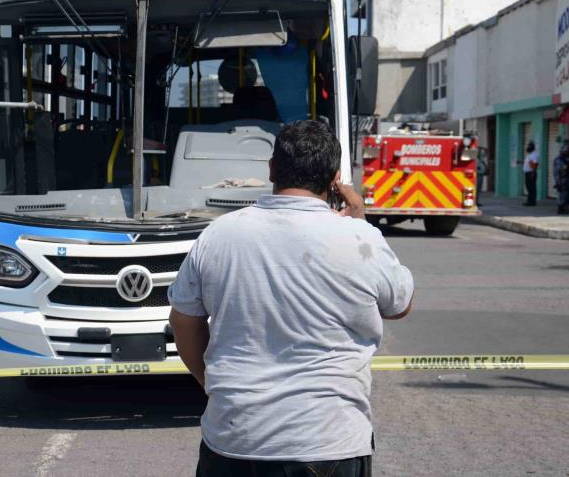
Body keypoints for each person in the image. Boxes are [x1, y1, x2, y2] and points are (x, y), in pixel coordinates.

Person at [168, 120, 414, 477]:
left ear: (271, 169)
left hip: (235, 440)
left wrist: (212, 384)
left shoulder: (218, 235)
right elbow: (400, 305)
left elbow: (183, 321)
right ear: (335, 179)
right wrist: (360, 223)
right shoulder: (361, 239)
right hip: (329, 443)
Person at [553, 140, 569, 215]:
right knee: (562, 194)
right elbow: (557, 171)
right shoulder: (560, 159)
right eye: (567, 148)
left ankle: (565, 208)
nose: (568, 150)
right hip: (562, 178)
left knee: (567, 194)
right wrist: (558, 182)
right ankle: (560, 209)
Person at [522, 141, 539, 206]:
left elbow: (535, 164)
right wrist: (521, 162)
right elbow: (528, 163)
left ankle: (531, 202)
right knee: (529, 187)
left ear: (532, 147)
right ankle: (530, 201)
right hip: (528, 173)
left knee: (531, 188)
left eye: (529, 146)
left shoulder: (534, 155)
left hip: (531, 173)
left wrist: (533, 172)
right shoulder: (530, 155)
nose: (527, 147)